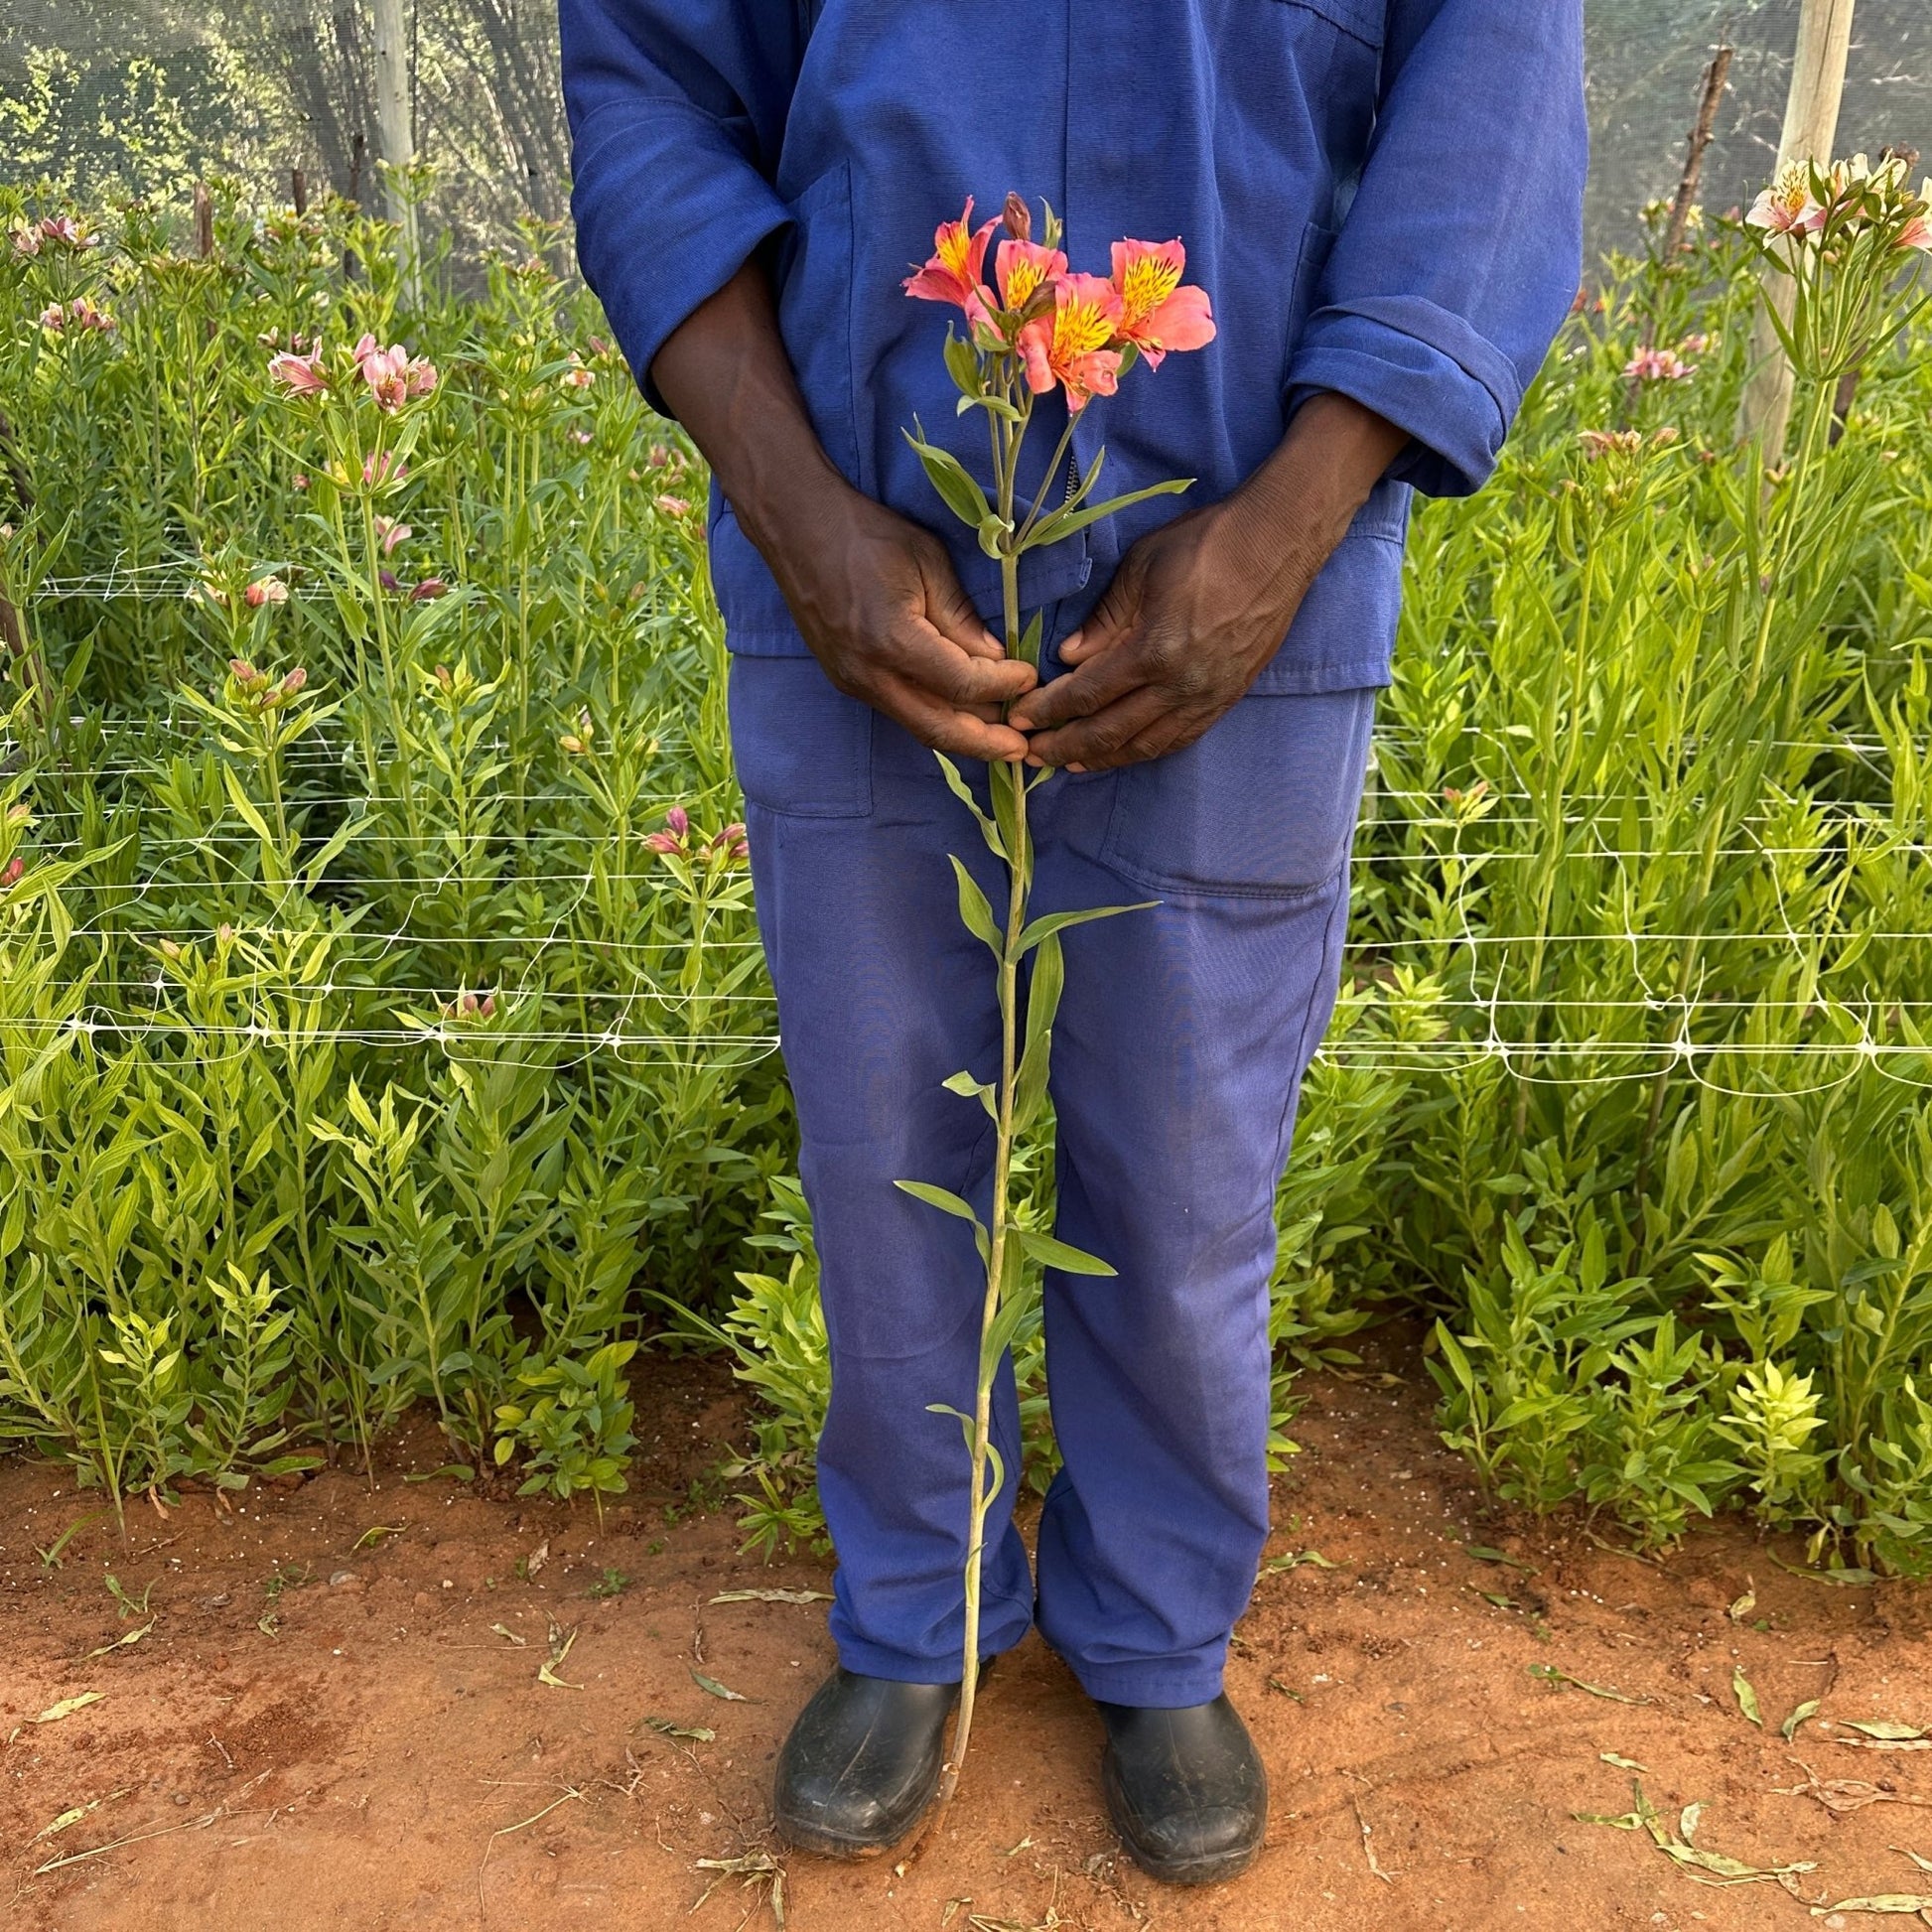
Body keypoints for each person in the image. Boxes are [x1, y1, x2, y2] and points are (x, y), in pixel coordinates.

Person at [560, 0, 1586, 1886]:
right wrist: (799, 519)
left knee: (1185, 1157)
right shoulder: (827, 542)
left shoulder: (1266, 548)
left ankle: (1153, 1627)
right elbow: (650, 87)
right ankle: (917, 1608)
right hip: (869, 557)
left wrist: (1292, 519)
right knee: (884, 1141)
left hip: (1242, 563)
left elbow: (1489, 110)